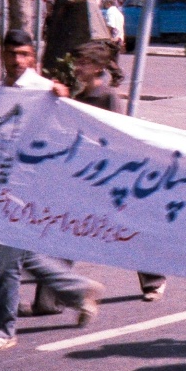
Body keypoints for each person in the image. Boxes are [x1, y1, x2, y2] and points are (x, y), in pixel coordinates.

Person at [0, 30, 103, 353]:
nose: (17, 61)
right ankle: (78, 290)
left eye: (24, 54)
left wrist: (63, 100)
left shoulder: (44, 90)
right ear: (3, 54)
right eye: (12, 54)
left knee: (3, 263)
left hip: (29, 192)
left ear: (33, 57)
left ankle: (1, 331)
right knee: (20, 255)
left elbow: (69, 129)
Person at [68, 40, 167, 302]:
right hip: (89, 175)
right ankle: (51, 295)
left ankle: (154, 278)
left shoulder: (108, 97)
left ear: (98, 67)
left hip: (112, 177)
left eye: (84, 63)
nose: (78, 68)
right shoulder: (79, 98)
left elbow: (117, 138)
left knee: (128, 228)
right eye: (77, 63)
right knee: (69, 227)